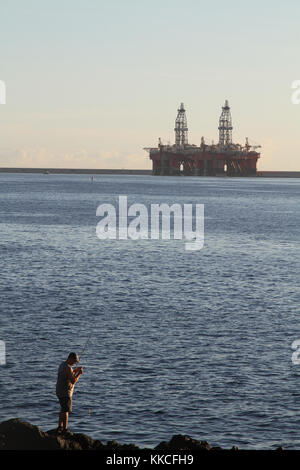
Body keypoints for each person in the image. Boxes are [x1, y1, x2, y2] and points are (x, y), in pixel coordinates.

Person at [56, 352, 83, 433]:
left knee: (62, 409)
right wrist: (79, 374)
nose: (75, 363)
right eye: (75, 361)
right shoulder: (68, 368)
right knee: (66, 411)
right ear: (70, 358)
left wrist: (75, 370)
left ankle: (59, 427)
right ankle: (65, 429)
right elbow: (73, 381)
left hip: (59, 391)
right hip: (65, 392)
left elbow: (68, 374)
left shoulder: (62, 365)